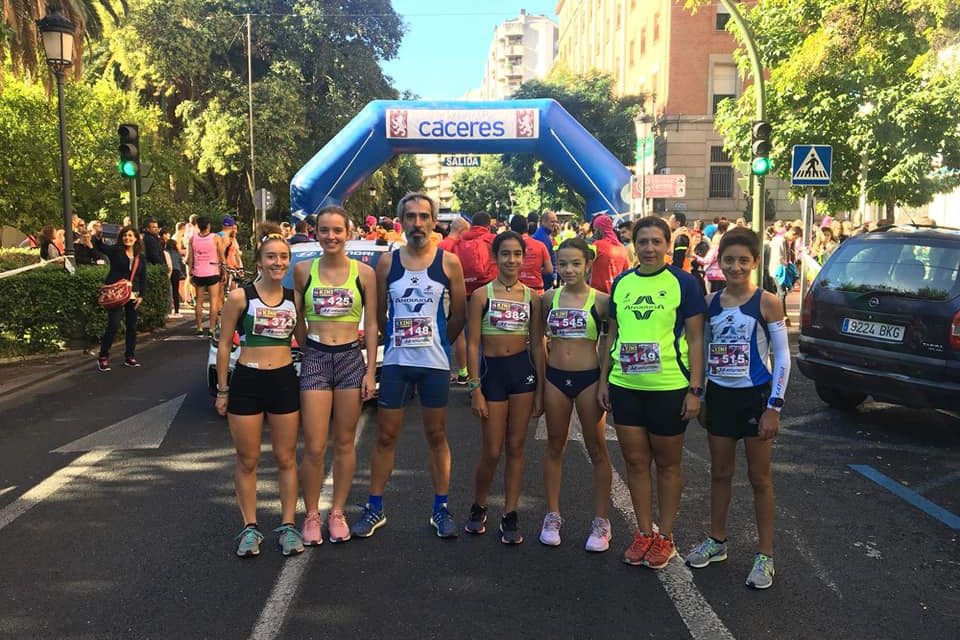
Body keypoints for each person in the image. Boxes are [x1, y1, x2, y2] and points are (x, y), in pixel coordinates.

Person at [351, 193, 467, 539]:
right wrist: (394, 340)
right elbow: (379, 314)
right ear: (401, 221)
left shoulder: (449, 263)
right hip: (398, 363)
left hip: (432, 364)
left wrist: (442, 344)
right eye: (411, 217)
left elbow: (459, 314)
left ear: (434, 222)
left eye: (423, 217)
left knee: (437, 436)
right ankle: (374, 508)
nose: (417, 223)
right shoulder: (387, 265)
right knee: (386, 436)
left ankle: (441, 508)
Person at [598, 216, 706, 569]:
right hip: (626, 385)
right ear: (634, 244)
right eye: (642, 241)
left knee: (668, 464)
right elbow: (611, 335)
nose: (648, 248)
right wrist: (604, 380)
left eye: (656, 241)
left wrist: (695, 390)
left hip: (669, 386)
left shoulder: (684, 283)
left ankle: (666, 535)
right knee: (635, 462)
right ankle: (644, 532)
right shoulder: (623, 282)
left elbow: (695, 338)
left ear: (667, 244)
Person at [686, 227, 791, 590]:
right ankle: (717, 541)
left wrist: (774, 406)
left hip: (755, 397)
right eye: (729, 260)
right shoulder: (710, 301)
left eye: (743, 261)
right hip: (720, 397)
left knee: (760, 479)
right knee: (719, 473)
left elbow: (783, 357)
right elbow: (700, 348)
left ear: (755, 263)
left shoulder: (767, 301)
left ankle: (765, 555)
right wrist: (698, 393)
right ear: (720, 261)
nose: (735, 267)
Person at [293, 205, 378, 546]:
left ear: (349, 233)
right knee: (314, 445)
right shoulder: (302, 271)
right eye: (324, 230)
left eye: (337, 230)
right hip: (315, 357)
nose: (330, 236)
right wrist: (305, 347)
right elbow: (297, 317)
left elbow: (371, 323)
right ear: (315, 233)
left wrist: (371, 370)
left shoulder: (364, 274)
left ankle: (338, 512)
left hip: (349, 360)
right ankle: (312, 514)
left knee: (345, 443)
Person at [215, 233, 303, 558]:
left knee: (286, 458)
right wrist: (223, 389)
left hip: (283, 381)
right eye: (271, 256)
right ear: (259, 261)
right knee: (247, 460)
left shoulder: (295, 299)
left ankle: (289, 525)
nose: (278, 262)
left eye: (283, 257)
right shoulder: (240, 297)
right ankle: (250, 528)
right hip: (247, 382)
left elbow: (306, 342)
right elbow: (225, 344)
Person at [463, 231, 545, 544]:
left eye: (516, 254)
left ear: (524, 258)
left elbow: (537, 344)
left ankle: (510, 513)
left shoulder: (532, 298)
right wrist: (475, 388)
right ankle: (479, 504)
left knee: (516, 447)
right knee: (493, 449)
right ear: (495, 258)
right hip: (492, 374)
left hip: (522, 374)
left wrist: (539, 389)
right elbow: (472, 344)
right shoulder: (482, 296)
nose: (511, 260)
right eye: (505, 254)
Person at [539, 237, 613, 551]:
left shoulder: (602, 301)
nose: (568, 269)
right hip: (556, 378)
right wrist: (541, 383)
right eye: (562, 263)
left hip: (589, 378)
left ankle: (601, 521)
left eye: (575, 263)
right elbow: (536, 341)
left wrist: (604, 382)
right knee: (555, 445)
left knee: (597, 448)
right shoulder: (547, 298)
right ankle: (552, 514)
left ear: (588, 265)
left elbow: (609, 343)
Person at [91, 226, 148, 371]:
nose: (127, 238)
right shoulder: (116, 251)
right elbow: (101, 247)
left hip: (132, 294)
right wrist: (96, 236)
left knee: (132, 326)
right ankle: (103, 356)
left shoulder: (140, 256)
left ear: (136, 238)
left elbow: (143, 277)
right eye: (124, 236)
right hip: (116, 292)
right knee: (113, 325)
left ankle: (130, 356)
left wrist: (141, 295)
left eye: (130, 236)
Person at [438, 216, 470, 383]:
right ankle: (462, 371)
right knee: (457, 334)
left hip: (443, 293)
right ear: (462, 230)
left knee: (445, 332)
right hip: (452, 293)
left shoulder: (440, 245)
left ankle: (446, 370)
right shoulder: (458, 246)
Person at [187, 216, 225, 337]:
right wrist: (224, 271)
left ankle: (199, 327)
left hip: (198, 273)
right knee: (214, 301)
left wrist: (190, 272)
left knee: (199, 301)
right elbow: (221, 256)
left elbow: (190, 258)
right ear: (208, 226)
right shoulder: (215, 238)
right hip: (213, 272)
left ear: (197, 226)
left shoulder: (193, 239)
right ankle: (212, 328)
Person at [453, 211, 497, 297]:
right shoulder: (493, 240)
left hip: (464, 290)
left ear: (472, 225)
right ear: (488, 227)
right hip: (487, 289)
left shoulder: (460, 240)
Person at [509, 215, 552, 294]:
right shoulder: (540, 246)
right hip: (536, 291)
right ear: (527, 227)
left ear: (511, 229)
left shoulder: (508, 247)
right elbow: (549, 270)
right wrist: (536, 270)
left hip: (515, 291)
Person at [588, 213, 630, 294]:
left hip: (597, 293)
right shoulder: (622, 247)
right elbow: (626, 271)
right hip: (616, 292)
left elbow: (585, 268)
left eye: (595, 229)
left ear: (598, 230)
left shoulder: (596, 245)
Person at [767, 225, 797, 325]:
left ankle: (780, 313)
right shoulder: (781, 241)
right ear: (792, 233)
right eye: (795, 237)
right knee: (781, 293)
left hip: (778, 269)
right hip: (778, 270)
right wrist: (787, 265)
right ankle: (782, 315)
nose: (794, 240)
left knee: (780, 293)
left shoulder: (781, 240)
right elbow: (779, 257)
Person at [533, 210, 560, 284]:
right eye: (552, 222)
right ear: (543, 222)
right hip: (545, 279)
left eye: (556, 222)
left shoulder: (546, 235)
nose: (555, 224)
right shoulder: (541, 237)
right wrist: (553, 276)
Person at [221, 216, 244, 290]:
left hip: (234, 268)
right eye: (233, 229)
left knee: (233, 290)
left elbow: (237, 256)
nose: (235, 231)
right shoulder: (225, 239)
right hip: (226, 268)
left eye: (236, 229)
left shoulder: (234, 240)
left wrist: (240, 268)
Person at [166, 238, 185, 318]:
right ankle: (177, 311)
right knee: (175, 291)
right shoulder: (177, 253)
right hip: (176, 272)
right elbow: (180, 262)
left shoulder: (166, 252)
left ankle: (168, 310)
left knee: (168, 290)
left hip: (168, 271)